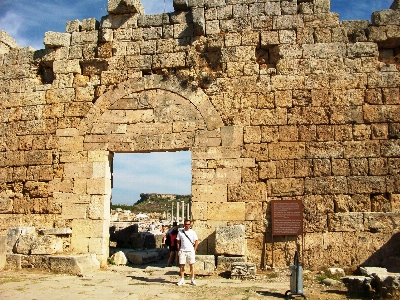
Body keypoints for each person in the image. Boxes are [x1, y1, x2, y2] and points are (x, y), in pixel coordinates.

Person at [176, 219, 198, 286]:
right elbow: (178, 241)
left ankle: (192, 279)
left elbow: (196, 241)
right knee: (182, 265)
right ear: (184, 224)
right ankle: (182, 279)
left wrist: (194, 250)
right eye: (186, 224)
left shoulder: (193, 232)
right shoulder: (180, 232)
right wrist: (179, 249)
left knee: (192, 265)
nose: (187, 226)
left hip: (190, 251)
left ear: (190, 225)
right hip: (183, 250)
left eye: (188, 224)